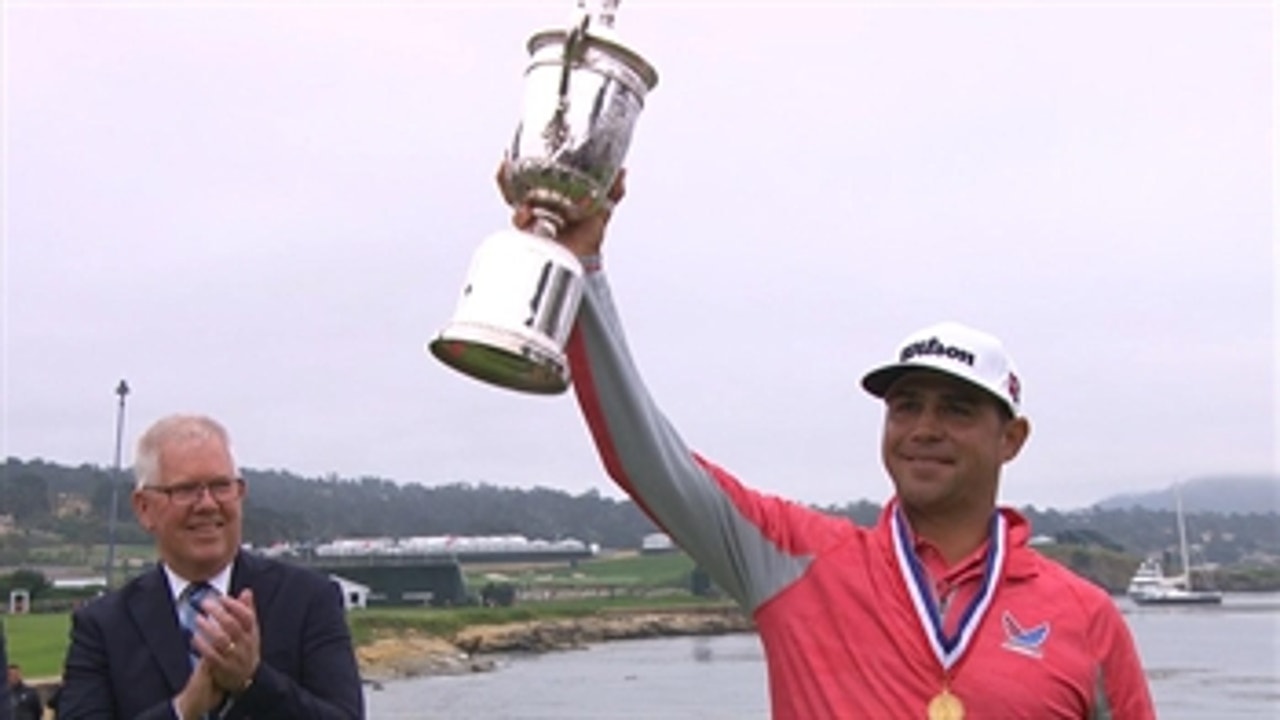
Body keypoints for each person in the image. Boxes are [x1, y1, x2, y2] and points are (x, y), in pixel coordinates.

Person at [508, 168, 1157, 718]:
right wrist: (582, 270)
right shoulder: (795, 560)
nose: (924, 428)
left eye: (956, 410)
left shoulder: (1086, 617)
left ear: (1011, 438)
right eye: (906, 406)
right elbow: (649, 461)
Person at [58, 414, 364, 719]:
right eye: (186, 489)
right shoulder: (102, 626)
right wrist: (184, 709)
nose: (207, 504)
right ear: (144, 508)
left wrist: (253, 681)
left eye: (221, 486)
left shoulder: (308, 599)